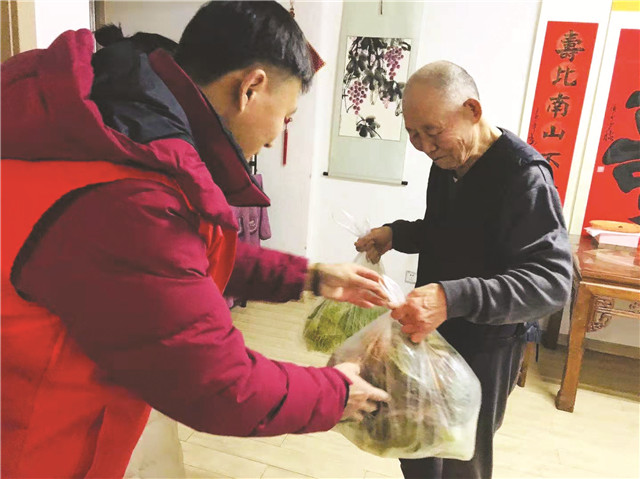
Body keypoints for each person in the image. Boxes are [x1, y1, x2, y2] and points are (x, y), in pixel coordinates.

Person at [1, 2, 391, 478]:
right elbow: (218, 385)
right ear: (251, 88)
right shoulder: (132, 194)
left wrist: (309, 276)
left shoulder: (111, 125)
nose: (274, 138)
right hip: (32, 445)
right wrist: (338, 393)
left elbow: (171, 262)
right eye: (286, 117)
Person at [356, 61, 573, 479]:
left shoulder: (524, 177)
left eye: (432, 131)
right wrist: (397, 234)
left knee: (462, 455)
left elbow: (551, 280)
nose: (424, 146)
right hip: (429, 332)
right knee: (413, 439)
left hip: (486, 345)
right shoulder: (447, 164)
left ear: (472, 110)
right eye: (413, 134)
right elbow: (447, 230)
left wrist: (452, 297)